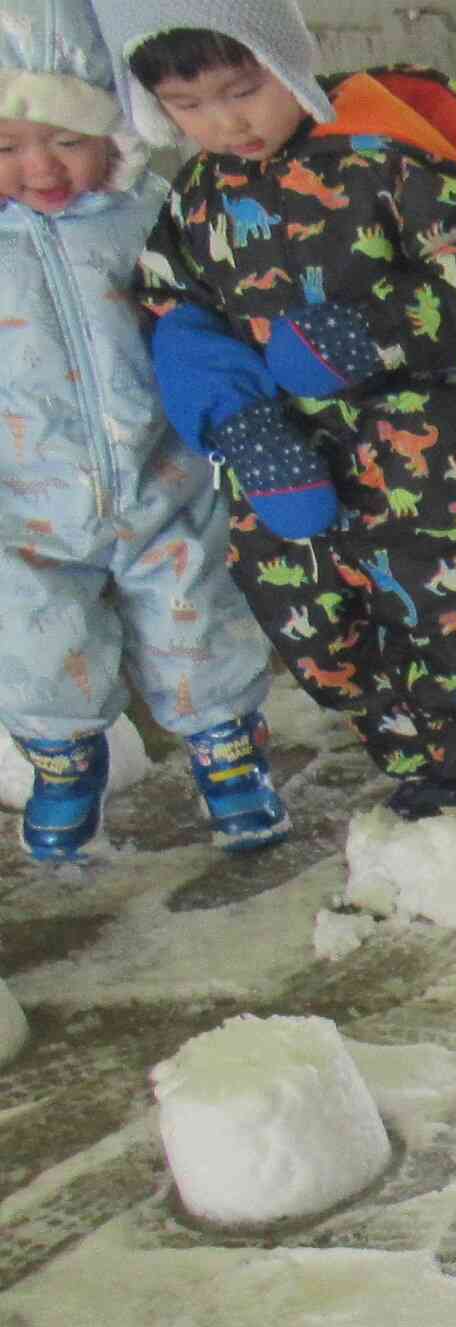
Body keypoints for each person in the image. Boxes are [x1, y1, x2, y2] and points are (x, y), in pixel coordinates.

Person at [105, 0, 456, 822]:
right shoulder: (198, 195)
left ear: (284, 58)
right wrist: (241, 424)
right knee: (317, 621)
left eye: (242, 87)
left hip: (436, 460)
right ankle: (411, 753)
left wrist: (366, 334)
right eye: (189, 106)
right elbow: (175, 312)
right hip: (294, 462)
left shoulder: (387, 155)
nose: (225, 120)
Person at [1, 0, 283, 860]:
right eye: (8, 146)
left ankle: (228, 755)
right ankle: (62, 761)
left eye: (69, 139)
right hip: (23, 500)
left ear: (116, 137)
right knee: (34, 636)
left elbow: (210, 313)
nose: (41, 165)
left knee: (199, 616)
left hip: (163, 476)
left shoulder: (155, 210)